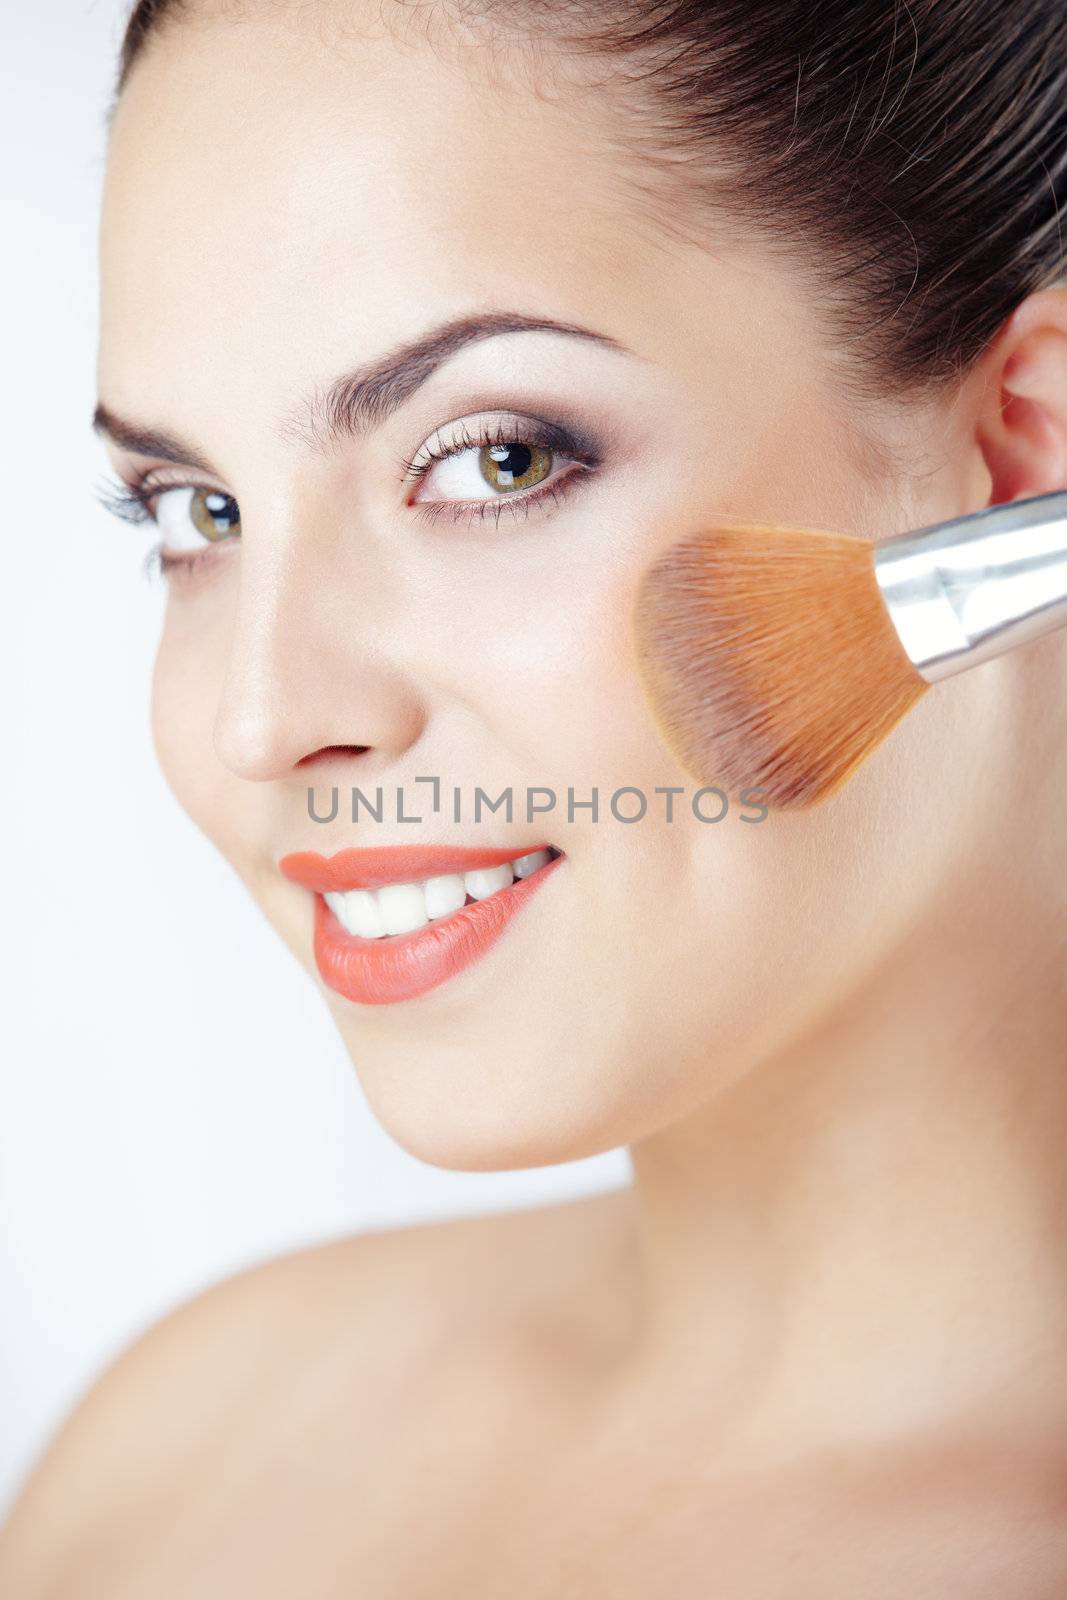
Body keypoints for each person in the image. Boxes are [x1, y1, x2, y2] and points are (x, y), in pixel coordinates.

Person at [2, 1, 1067, 1593]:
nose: (266, 715)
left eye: (494, 461)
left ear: (1022, 442)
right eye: (197, 508)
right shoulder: (185, 1446)